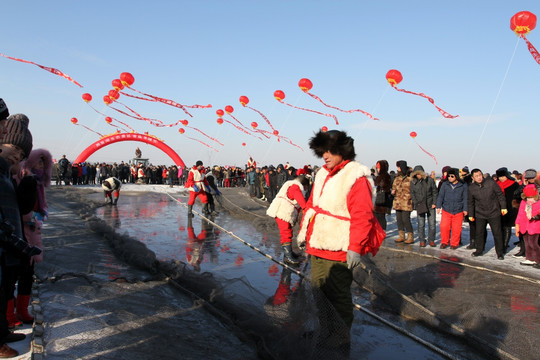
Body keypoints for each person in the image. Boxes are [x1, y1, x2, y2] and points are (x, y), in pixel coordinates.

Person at [296, 130, 384, 333]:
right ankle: (325, 329)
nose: (325, 155)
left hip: (339, 246)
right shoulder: (321, 174)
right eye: (322, 151)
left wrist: (355, 247)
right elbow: (311, 205)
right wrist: (304, 232)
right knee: (318, 290)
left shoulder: (356, 176)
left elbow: (363, 215)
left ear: (342, 151)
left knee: (337, 295)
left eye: (329, 151)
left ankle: (339, 338)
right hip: (318, 244)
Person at [0, 113, 39, 357]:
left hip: (9, 244)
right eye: (14, 147)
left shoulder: (8, 174)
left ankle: (2, 330)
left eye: (22, 153)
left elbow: (16, 208)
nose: (17, 154)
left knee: (4, 290)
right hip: (5, 241)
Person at [9, 149, 53, 327]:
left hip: (34, 232)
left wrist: (39, 217)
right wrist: (32, 217)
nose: (41, 166)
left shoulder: (39, 184)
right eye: (38, 162)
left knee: (28, 273)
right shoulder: (21, 178)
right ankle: (9, 314)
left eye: (44, 163)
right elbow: (18, 205)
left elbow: (41, 206)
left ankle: (22, 310)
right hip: (20, 232)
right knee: (13, 274)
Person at [266, 174, 309, 265]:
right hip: (282, 211)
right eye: (306, 188)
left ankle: (288, 254)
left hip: (284, 212)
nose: (306, 190)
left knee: (289, 231)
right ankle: (288, 257)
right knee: (286, 233)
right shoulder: (295, 187)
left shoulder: (291, 185)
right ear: (304, 185)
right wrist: (305, 208)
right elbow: (302, 202)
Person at [468, 168, 508, 259]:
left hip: (494, 212)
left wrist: (503, 207)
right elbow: (470, 202)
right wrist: (471, 214)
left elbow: (500, 195)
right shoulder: (471, 188)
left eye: (480, 175)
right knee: (479, 233)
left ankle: (500, 252)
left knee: (497, 233)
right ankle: (479, 250)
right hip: (480, 213)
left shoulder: (491, 183)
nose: (479, 177)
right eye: (476, 176)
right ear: (473, 178)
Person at [436, 168, 468, 249]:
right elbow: (441, 196)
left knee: (456, 228)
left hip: (458, 210)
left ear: (456, 176)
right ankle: (444, 242)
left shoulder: (463, 185)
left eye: (452, 176)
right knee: (444, 227)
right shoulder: (445, 184)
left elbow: (465, 198)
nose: (450, 178)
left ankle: (454, 243)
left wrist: (465, 209)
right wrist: (438, 206)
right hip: (447, 209)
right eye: (449, 176)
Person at [512, 169, 538, 257]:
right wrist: (523, 185)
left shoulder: (537, 187)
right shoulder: (523, 186)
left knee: (534, 239)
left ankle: (535, 256)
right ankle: (525, 252)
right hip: (524, 211)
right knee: (524, 234)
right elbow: (515, 194)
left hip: (535, 214)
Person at [410, 165, 438, 247]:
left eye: (420, 174)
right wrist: (416, 202)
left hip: (430, 205)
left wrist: (434, 203)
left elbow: (435, 192)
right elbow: (412, 193)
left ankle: (431, 240)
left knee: (432, 224)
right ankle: (422, 240)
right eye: (417, 174)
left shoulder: (430, 180)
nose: (418, 176)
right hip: (420, 205)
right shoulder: (413, 182)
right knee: (421, 224)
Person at [514, 184, 540, 268]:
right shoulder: (523, 202)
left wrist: (535, 216)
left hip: (535, 225)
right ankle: (530, 258)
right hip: (524, 225)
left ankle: (538, 259)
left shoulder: (538, 202)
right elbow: (520, 214)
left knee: (533, 243)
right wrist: (517, 224)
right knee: (527, 243)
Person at [495, 167, 519, 254]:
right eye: (500, 177)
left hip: (510, 209)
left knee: (507, 227)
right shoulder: (496, 184)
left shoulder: (514, 184)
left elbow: (517, 197)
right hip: (499, 208)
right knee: (500, 227)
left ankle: (504, 245)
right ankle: (501, 243)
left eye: (503, 176)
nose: (501, 178)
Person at [392, 160, 414, 243]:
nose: (397, 169)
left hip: (406, 203)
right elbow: (394, 187)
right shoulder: (397, 178)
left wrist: (408, 197)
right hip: (398, 202)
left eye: (398, 167)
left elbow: (413, 190)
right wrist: (393, 191)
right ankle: (401, 236)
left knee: (406, 220)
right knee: (399, 219)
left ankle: (410, 237)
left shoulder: (410, 178)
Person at [373, 160, 392, 230]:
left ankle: (382, 232)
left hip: (382, 199)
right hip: (377, 199)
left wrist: (379, 187)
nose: (377, 169)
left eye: (378, 167)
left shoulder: (386, 176)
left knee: (381, 217)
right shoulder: (378, 176)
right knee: (376, 217)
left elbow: (386, 187)